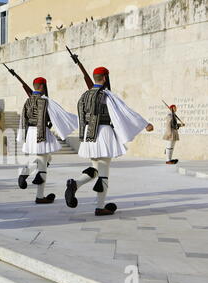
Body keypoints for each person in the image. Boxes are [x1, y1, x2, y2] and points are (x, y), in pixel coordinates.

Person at [65, 67, 154, 216]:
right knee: (104, 172)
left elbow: (81, 118)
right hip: (103, 133)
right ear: (105, 78)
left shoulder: (83, 96)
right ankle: (100, 207)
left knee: (95, 168)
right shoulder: (107, 95)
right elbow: (125, 110)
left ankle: (75, 184)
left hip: (88, 135)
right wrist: (144, 123)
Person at [17, 77, 78, 204]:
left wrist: (22, 136)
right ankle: (40, 196)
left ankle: (25, 172)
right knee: (43, 164)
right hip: (42, 134)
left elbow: (23, 120)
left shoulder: (27, 101)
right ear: (43, 86)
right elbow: (61, 114)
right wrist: (78, 120)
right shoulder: (46, 101)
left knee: (47, 159)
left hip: (31, 133)